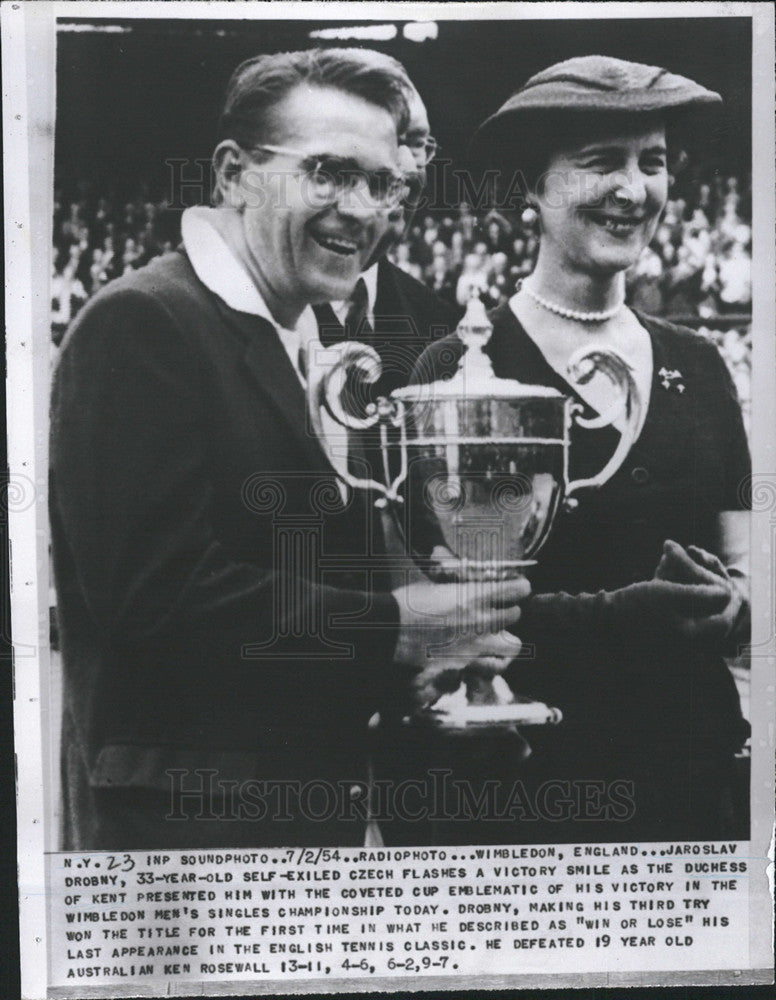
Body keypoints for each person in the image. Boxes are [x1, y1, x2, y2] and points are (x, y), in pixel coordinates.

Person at [50, 48, 528, 851]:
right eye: (331, 173)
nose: (364, 209)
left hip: (305, 824)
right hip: (185, 838)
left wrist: (419, 675)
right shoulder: (141, 323)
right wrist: (394, 630)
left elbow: (297, 594)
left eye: (382, 183)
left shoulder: (300, 334)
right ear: (234, 172)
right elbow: (153, 595)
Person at [412, 55, 750, 843]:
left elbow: (748, 566)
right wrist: (634, 621)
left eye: (653, 162)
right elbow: (443, 607)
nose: (633, 190)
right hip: (528, 782)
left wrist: (731, 604)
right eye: (600, 162)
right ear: (532, 187)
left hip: (691, 780)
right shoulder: (460, 369)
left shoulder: (698, 363)